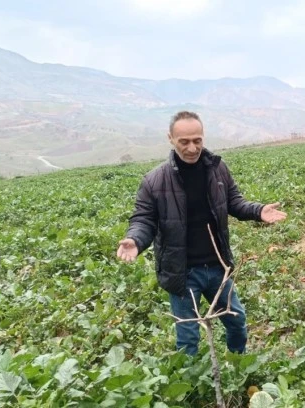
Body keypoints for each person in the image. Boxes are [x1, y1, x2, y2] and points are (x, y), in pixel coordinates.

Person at [117, 111, 286, 356]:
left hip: (218, 267)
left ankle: (238, 365)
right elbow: (144, 220)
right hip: (182, 273)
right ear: (170, 139)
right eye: (184, 142)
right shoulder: (154, 181)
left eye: (197, 140)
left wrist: (258, 211)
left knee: (236, 321)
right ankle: (191, 387)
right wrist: (135, 240)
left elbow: (235, 203)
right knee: (188, 338)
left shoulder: (217, 169)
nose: (192, 147)